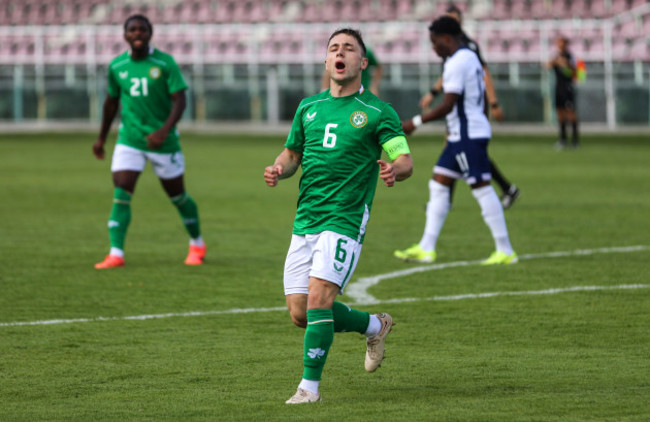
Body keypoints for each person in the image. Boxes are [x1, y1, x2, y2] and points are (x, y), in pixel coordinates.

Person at [264, 28, 413, 404]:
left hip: (345, 218)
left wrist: (396, 170)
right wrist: (279, 169)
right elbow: (292, 154)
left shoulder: (379, 112)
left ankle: (308, 389)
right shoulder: (308, 107)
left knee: (318, 301)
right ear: (327, 61)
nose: (340, 53)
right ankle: (375, 326)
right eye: (333, 48)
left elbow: (404, 159)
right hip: (306, 219)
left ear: (362, 63)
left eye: (348, 48)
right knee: (300, 313)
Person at [394, 16, 517, 266]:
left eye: (434, 42)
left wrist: (414, 123)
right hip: (465, 133)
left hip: (466, 135)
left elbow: (448, 104)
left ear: (446, 39)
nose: (433, 47)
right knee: (439, 184)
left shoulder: (456, 62)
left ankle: (505, 250)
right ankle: (427, 247)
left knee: (481, 187)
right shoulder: (470, 56)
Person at [92, 14, 205, 269]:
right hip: (129, 138)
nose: (137, 33)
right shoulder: (117, 66)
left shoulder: (164, 63)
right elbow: (111, 104)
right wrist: (101, 139)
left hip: (163, 142)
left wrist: (164, 131)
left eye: (142, 29)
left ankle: (197, 243)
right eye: (132, 30)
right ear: (125, 35)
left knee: (177, 196)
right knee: (121, 190)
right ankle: (116, 253)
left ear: (150, 33)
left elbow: (180, 99)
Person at [420, 5, 520, 209]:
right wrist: (433, 92)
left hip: (466, 112)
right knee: (460, 153)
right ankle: (505, 189)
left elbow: (483, 74)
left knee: (461, 154)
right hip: (459, 112)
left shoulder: (467, 47)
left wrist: (493, 103)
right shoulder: (449, 47)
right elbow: (448, 76)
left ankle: (445, 200)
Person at [546, 35, 579, 150]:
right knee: (560, 114)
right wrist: (555, 62)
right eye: (558, 43)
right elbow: (546, 65)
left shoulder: (570, 57)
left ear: (565, 44)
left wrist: (567, 65)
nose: (559, 45)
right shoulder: (556, 56)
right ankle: (563, 139)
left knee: (571, 113)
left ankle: (575, 140)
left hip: (567, 87)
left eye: (561, 43)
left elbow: (578, 73)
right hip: (558, 88)